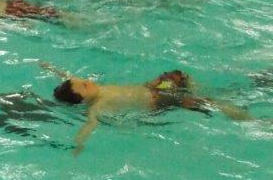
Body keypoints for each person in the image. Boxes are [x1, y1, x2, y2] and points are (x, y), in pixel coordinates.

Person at [47, 64, 253, 154]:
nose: (87, 80)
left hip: (151, 88)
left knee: (178, 75)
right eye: (84, 85)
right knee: (208, 102)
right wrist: (79, 144)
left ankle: (209, 92)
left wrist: (52, 69)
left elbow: (69, 78)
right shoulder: (98, 104)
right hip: (160, 100)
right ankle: (250, 119)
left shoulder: (94, 89)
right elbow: (90, 123)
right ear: (83, 98)